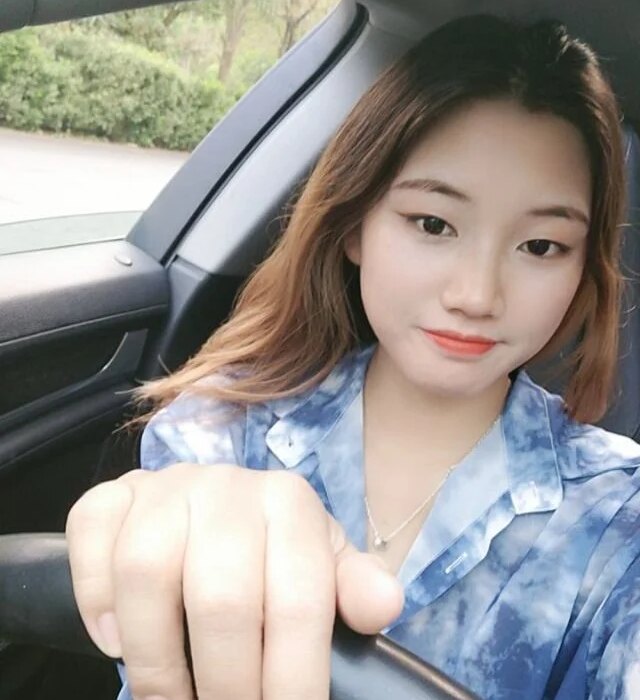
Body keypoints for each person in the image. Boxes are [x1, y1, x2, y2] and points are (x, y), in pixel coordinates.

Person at [65, 13, 640, 700]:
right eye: (433, 224)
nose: (476, 295)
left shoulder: (617, 515)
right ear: (355, 226)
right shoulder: (221, 429)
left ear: (583, 269)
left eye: (541, 246)